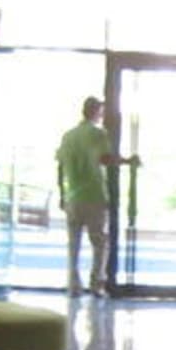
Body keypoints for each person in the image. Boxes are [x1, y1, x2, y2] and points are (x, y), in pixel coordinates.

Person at [55, 96, 127, 295]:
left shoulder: (68, 136)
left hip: (72, 197)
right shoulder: (98, 134)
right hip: (94, 196)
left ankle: (73, 286)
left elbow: (60, 167)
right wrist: (128, 161)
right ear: (97, 112)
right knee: (99, 244)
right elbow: (105, 159)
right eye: (101, 112)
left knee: (73, 245)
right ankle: (96, 284)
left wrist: (62, 194)